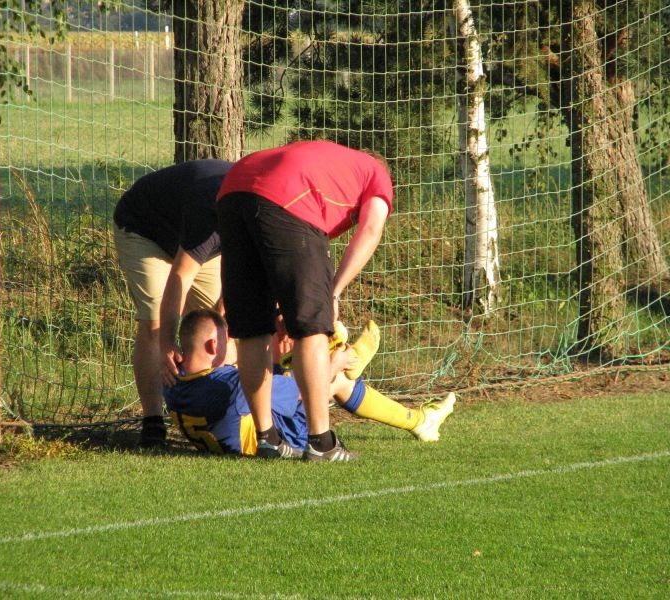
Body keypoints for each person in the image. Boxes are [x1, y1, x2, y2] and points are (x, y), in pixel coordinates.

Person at [215, 140, 394, 461]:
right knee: (312, 327)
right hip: (288, 193)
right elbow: (370, 230)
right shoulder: (376, 175)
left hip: (233, 188)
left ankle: (267, 438)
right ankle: (321, 443)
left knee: (251, 329)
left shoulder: (332, 166)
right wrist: (334, 291)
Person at [164, 310, 455, 458]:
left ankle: (419, 421)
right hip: (282, 440)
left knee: (280, 359)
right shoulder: (230, 386)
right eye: (232, 342)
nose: (237, 347)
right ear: (214, 345)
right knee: (335, 378)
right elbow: (303, 392)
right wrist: (334, 365)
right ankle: (352, 360)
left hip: (243, 423)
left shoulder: (172, 381)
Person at [113, 159, 231, 447]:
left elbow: (239, 278)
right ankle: (153, 422)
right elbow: (179, 276)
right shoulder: (210, 213)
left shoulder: (256, 217)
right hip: (145, 230)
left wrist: (221, 317)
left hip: (196, 237)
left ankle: (215, 413)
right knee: (155, 321)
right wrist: (168, 342)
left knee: (216, 328)